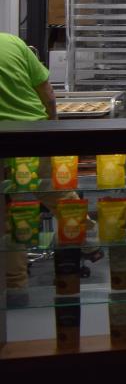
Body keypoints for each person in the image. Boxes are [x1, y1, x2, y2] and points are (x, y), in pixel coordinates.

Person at [0, 33, 56, 305]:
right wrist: (54, 126)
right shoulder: (13, 42)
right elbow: (47, 92)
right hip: (33, 131)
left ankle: (15, 287)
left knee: (6, 216)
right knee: (48, 191)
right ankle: (88, 237)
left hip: (4, 136)